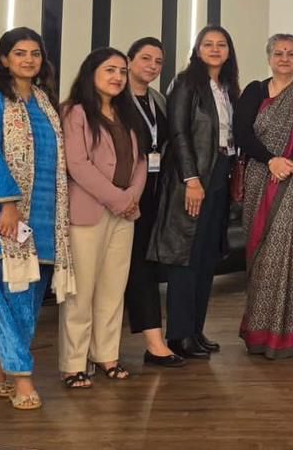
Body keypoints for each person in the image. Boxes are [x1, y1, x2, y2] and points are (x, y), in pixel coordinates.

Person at [0, 27, 74, 411]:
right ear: (4, 59)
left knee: (27, 300)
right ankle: (22, 378)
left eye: (35, 53)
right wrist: (7, 204)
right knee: (10, 297)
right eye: (20, 53)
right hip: (3, 216)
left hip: (43, 218)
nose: (28, 60)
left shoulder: (45, 103)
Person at [148, 25, 240, 360]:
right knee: (185, 258)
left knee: (205, 258)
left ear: (229, 51)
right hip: (193, 180)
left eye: (221, 44)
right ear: (197, 49)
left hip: (220, 174)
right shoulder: (187, 82)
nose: (215, 49)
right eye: (208, 44)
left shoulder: (228, 87)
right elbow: (179, 133)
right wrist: (192, 179)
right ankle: (179, 335)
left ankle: (195, 331)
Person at [235, 33, 293, 359]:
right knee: (263, 255)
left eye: (291, 54)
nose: (284, 59)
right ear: (269, 58)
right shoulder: (254, 91)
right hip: (261, 177)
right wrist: (271, 160)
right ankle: (260, 331)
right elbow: (242, 133)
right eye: (278, 53)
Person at [58, 47, 147, 388]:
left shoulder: (128, 114)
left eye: (122, 71)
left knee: (113, 289)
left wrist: (131, 197)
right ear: (91, 72)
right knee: (80, 294)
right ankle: (73, 364)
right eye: (110, 70)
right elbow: (77, 164)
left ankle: (106, 355)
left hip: (124, 214)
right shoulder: (75, 112)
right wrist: (118, 199)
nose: (118, 77)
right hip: (88, 212)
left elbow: (141, 162)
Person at [121, 37, 183, 367]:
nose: (152, 66)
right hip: (121, 195)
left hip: (154, 194)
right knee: (127, 269)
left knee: (143, 266)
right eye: (145, 58)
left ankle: (153, 342)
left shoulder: (158, 99)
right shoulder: (115, 98)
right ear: (129, 60)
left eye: (158, 62)